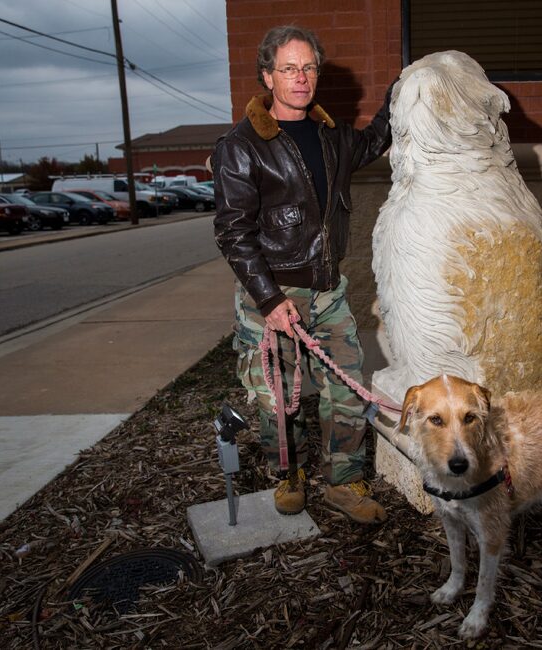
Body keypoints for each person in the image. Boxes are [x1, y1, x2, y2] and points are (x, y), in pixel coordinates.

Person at [212, 25, 392, 524]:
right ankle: (286, 473)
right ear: (268, 76)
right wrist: (269, 301)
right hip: (269, 294)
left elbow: (375, 139)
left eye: (309, 67)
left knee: (346, 387)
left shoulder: (331, 135)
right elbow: (233, 232)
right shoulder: (240, 146)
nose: (301, 77)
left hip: (327, 290)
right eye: (289, 68)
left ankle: (343, 482)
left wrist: (400, 93)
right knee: (276, 398)